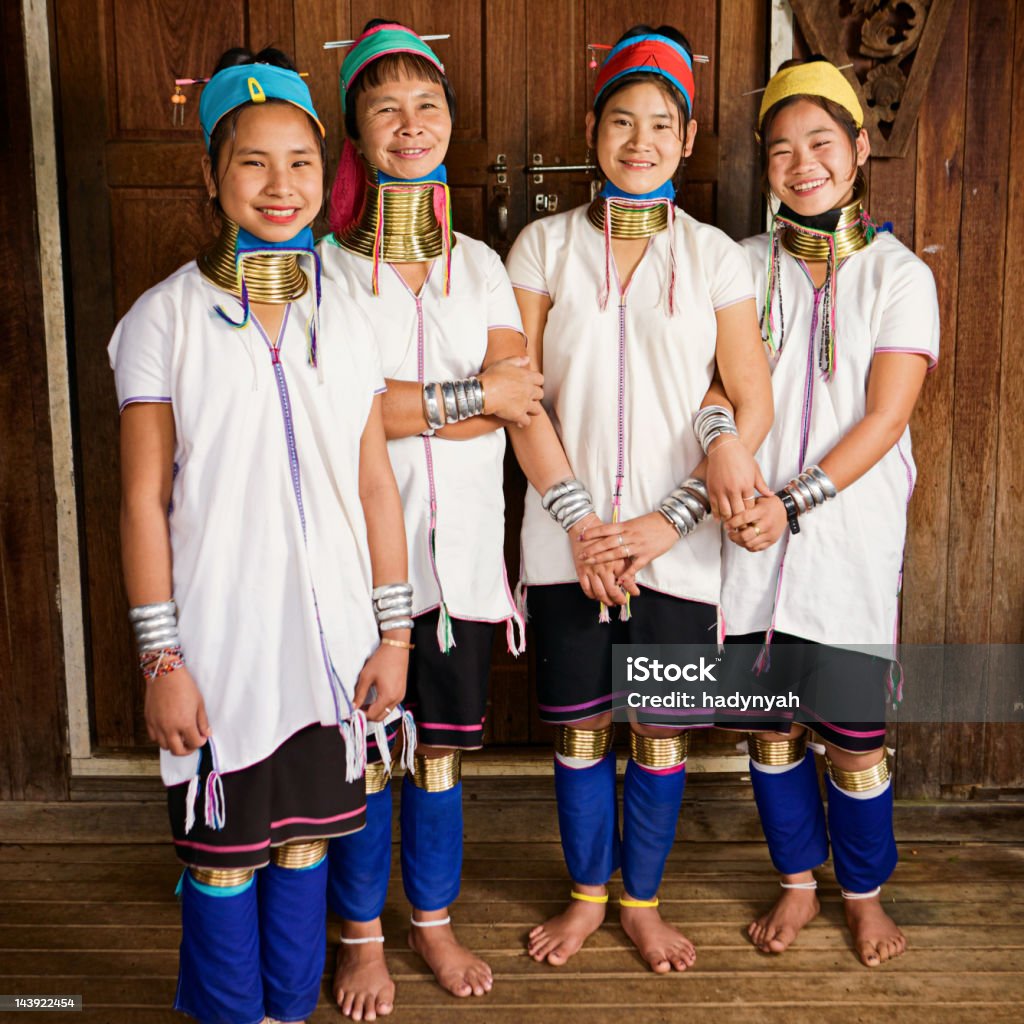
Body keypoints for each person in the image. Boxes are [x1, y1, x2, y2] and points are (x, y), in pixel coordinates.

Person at [110, 48, 409, 1023]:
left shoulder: (353, 317)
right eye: (252, 162)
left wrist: (395, 634)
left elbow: (374, 486)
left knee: (305, 850)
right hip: (221, 655)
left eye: (299, 162)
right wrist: (163, 662)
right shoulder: (166, 319)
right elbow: (144, 499)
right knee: (223, 867)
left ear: (328, 175)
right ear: (211, 173)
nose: (280, 186)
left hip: (326, 657)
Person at [505, 24, 772, 973]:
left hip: (678, 541)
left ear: (689, 139)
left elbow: (750, 399)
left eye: (662, 124)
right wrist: (582, 525)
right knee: (580, 730)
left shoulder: (713, 259)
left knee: (659, 735)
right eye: (622, 120)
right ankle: (585, 897)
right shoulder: (540, 247)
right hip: (564, 535)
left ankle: (643, 903)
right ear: (592, 127)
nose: (640, 141)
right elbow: (519, 392)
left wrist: (665, 524)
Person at [317, 20, 543, 1015]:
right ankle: (359, 936)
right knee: (367, 753)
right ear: (355, 135)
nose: (411, 125)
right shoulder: (323, 267)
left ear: (450, 121)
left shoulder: (482, 266)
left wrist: (420, 400)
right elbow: (351, 416)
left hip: (461, 575)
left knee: (440, 753)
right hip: (359, 561)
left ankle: (434, 920)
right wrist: (465, 397)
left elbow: (520, 393)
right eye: (385, 107)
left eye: (427, 106)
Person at [720, 57, 939, 967]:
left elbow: (887, 416)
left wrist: (793, 502)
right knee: (770, 726)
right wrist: (726, 452)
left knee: (852, 735)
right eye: (781, 149)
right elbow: (709, 389)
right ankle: (798, 881)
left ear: (856, 152)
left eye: (820, 142)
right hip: (746, 535)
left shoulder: (897, 275)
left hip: (842, 531)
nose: (801, 163)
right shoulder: (737, 267)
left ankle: (864, 892)